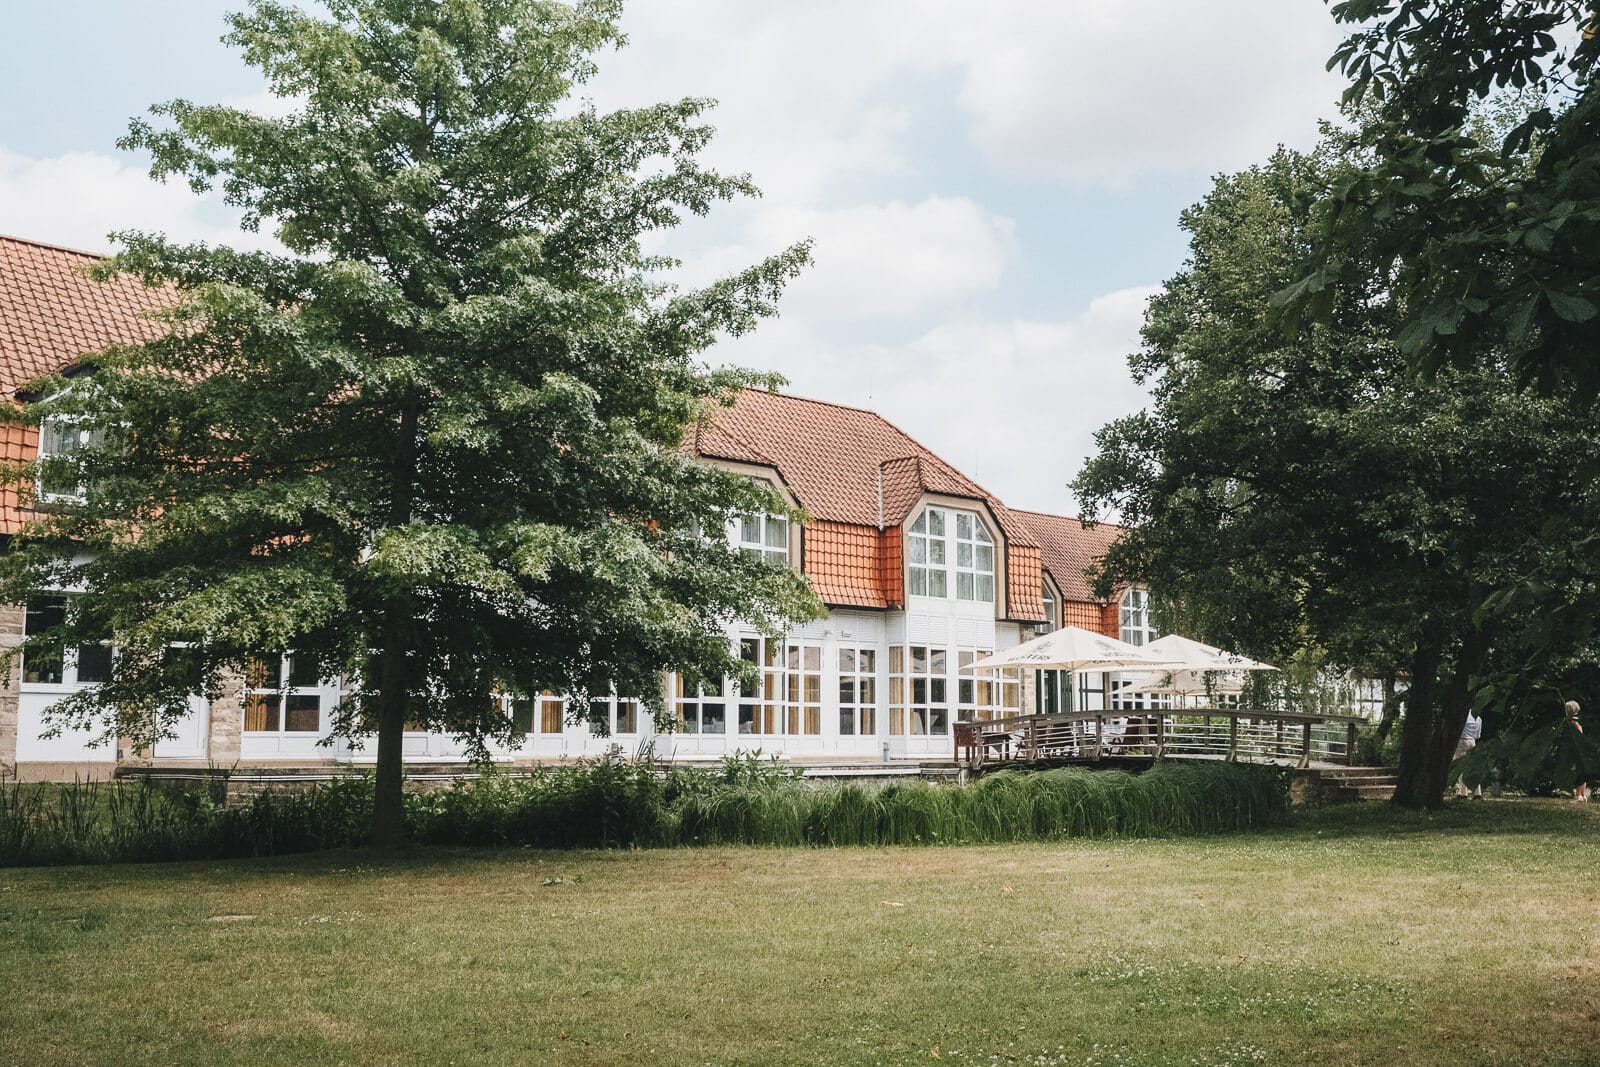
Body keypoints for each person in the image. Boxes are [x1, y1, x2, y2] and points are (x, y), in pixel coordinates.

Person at [1555, 700, 1596, 802]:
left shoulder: (1572, 723)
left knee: (1580, 772)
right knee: (1582, 771)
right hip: (1581, 751)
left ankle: (1579, 795)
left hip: (1577, 751)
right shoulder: (1576, 721)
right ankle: (1581, 794)